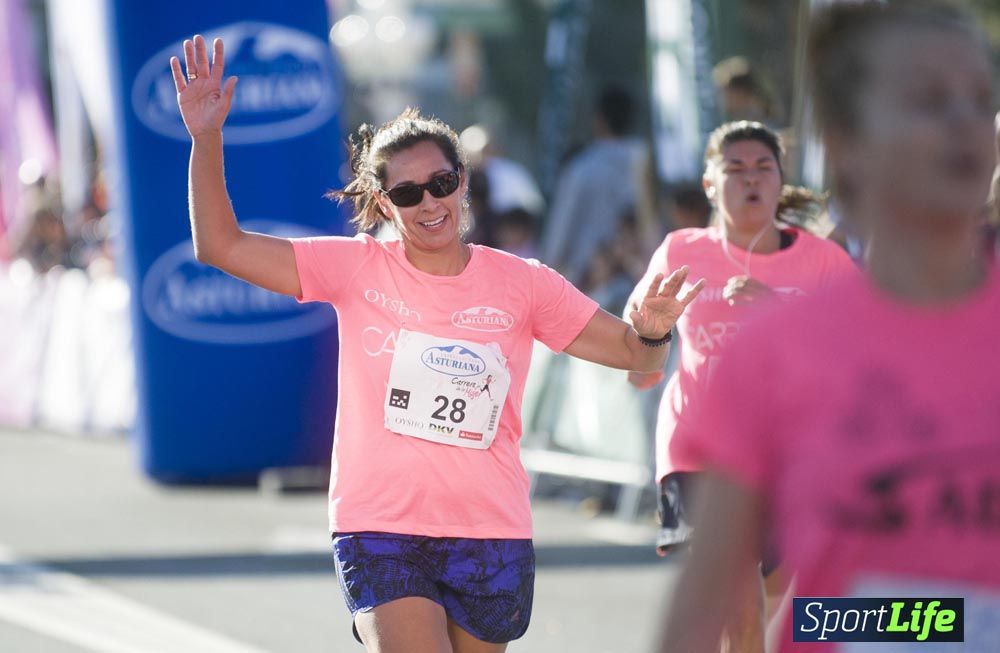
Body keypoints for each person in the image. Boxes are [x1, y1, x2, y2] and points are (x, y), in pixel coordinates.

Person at [169, 35, 704, 653]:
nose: (429, 203)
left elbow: (637, 356)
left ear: (463, 182)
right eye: (406, 193)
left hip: (489, 530)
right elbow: (221, 246)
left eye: (441, 182)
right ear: (382, 204)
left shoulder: (521, 283)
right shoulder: (355, 268)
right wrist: (205, 139)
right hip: (380, 526)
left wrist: (654, 326)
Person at [656, 2, 999, 651]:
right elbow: (707, 604)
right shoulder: (775, 353)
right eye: (928, 100)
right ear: (846, 142)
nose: (964, 122)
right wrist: (936, 621)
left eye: (982, 99)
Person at [628, 120, 856, 651]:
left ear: (780, 180)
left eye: (763, 168)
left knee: (761, 612)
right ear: (709, 183)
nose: (749, 180)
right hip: (701, 450)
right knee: (743, 611)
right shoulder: (680, 251)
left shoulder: (823, 262)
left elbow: (863, 362)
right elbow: (640, 369)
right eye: (734, 169)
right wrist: (650, 332)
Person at [540, 85, 645, 285]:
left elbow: (561, 227)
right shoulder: (644, 165)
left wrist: (546, 272)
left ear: (599, 119)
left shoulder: (582, 168)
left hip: (588, 278)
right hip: (638, 275)